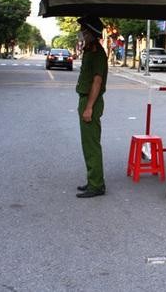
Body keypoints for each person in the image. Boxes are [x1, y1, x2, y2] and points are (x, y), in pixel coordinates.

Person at [75, 16, 108, 198]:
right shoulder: (90, 50)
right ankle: (93, 180)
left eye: (84, 31)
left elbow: (97, 81)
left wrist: (88, 108)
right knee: (87, 144)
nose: (81, 34)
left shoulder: (97, 53)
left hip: (91, 102)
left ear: (91, 33)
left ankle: (96, 185)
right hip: (86, 100)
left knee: (91, 144)